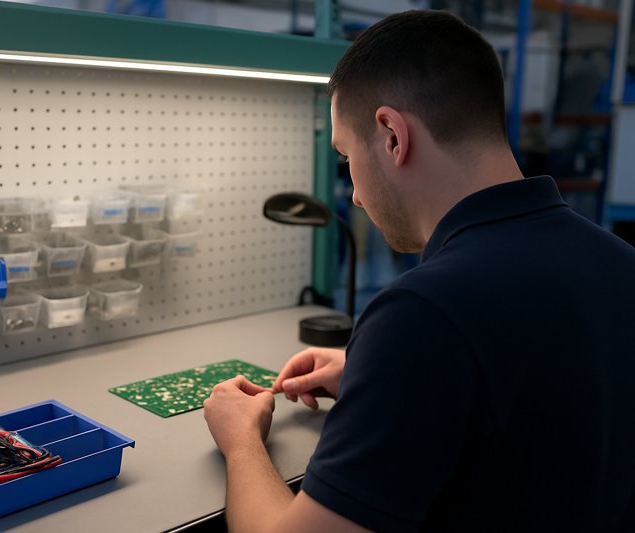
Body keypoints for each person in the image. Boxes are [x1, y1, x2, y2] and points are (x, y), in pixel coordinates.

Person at [203, 9, 635, 533]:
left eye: (346, 158)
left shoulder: (424, 314)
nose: (356, 195)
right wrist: (381, 376)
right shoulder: (617, 260)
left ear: (391, 135)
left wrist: (240, 439)